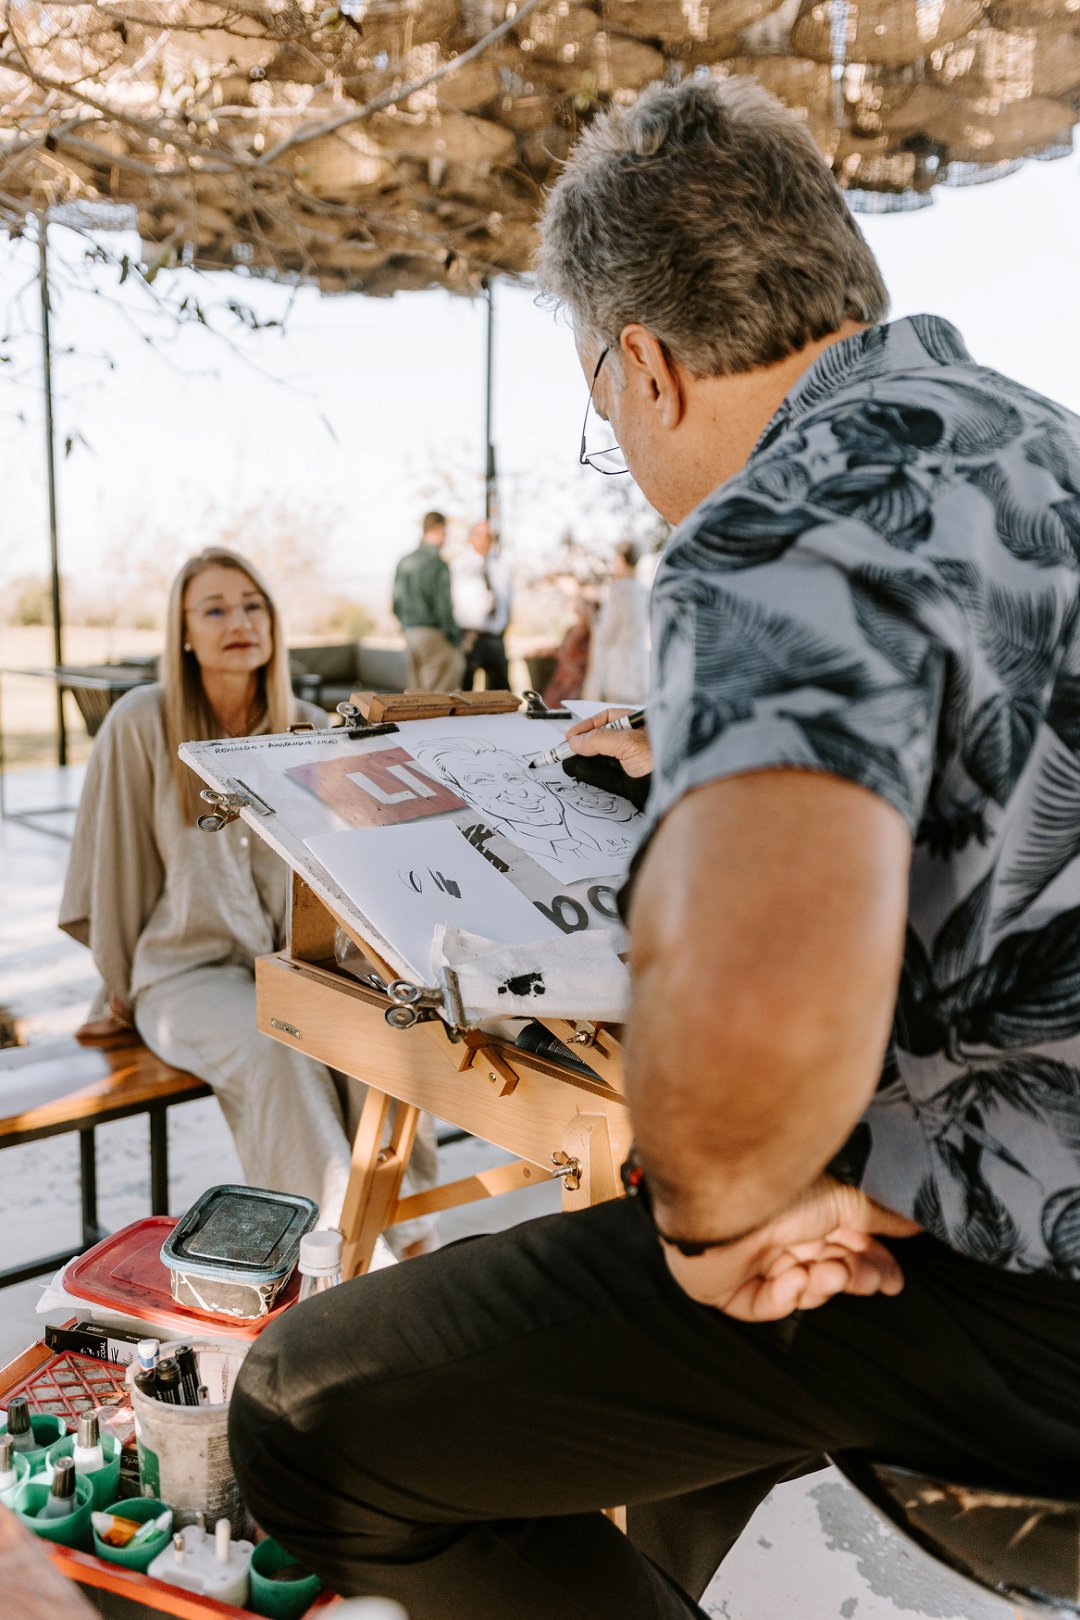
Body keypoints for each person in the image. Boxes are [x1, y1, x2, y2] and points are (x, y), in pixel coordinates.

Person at [231, 77, 1080, 1620]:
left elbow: (752, 1013)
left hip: (1023, 1304)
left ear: (646, 367)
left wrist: (717, 1221)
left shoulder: (777, 525)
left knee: (308, 1417)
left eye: (601, 406)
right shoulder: (1045, 451)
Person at [61, 546, 437, 1237]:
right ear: (183, 631)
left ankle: (410, 1237)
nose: (239, 621)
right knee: (277, 1050)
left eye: (252, 605)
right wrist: (117, 979)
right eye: (214, 610)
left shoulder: (307, 728)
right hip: (185, 973)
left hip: (293, 964)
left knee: (371, 1038)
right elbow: (112, 866)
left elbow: (343, 872)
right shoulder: (142, 721)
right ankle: (329, 1255)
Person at [392, 511, 464, 691]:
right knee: (440, 696)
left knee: (416, 696)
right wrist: (456, 638)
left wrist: (406, 625)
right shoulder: (438, 564)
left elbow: (396, 603)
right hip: (433, 634)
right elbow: (443, 608)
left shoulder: (404, 561)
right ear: (439, 528)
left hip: (410, 634)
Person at [583, 539, 649, 703]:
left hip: (619, 672)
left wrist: (593, 617)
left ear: (621, 560)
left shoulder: (619, 592)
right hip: (641, 670)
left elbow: (607, 634)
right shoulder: (644, 591)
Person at [451, 519, 513, 691]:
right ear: (471, 538)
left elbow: (508, 602)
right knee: (466, 690)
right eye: (481, 535)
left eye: (489, 536)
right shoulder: (459, 566)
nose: (485, 540)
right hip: (470, 637)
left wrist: (504, 626)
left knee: (501, 691)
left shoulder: (501, 566)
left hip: (495, 637)